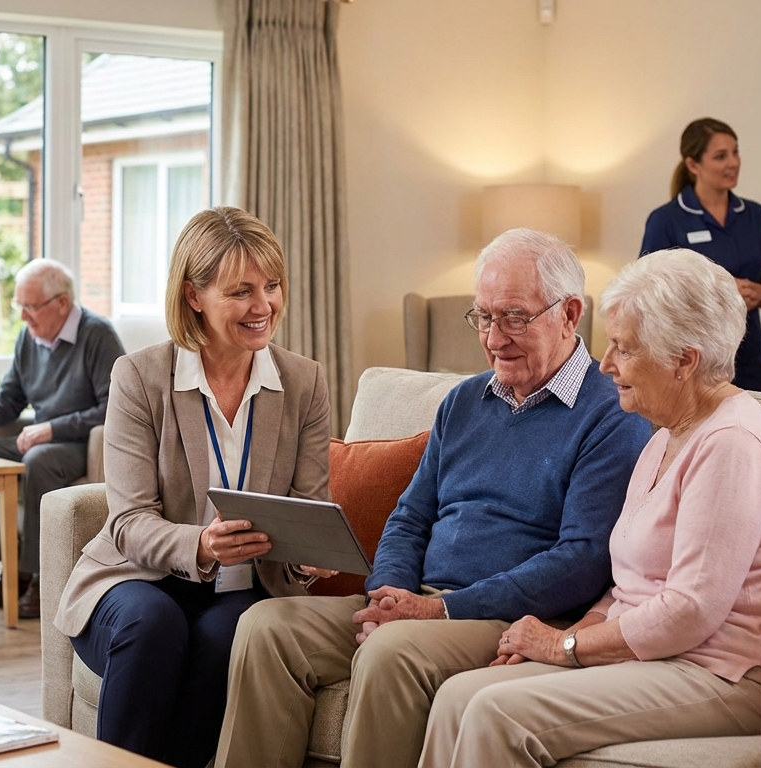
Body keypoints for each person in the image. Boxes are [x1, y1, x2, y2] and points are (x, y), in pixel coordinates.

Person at [215, 229, 652, 768]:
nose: (495, 338)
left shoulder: (611, 413)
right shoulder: (465, 400)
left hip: (510, 617)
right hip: (421, 600)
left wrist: (439, 609)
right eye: (483, 317)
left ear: (570, 314)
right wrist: (390, 591)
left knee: (390, 651)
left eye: (514, 316)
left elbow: (582, 561)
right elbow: (410, 515)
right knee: (266, 628)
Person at [419, 249, 761, 768]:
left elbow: (690, 612)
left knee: (498, 711)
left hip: (718, 673)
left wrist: (563, 649)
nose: (605, 365)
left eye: (624, 350)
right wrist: (565, 634)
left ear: (684, 361)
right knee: (456, 696)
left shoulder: (733, 444)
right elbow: (627, 584)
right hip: (656, 657)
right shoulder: (666, 436)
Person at [52, 207, 334, 767]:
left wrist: (310, 556)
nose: (264, 306)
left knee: (233, 634)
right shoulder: (139, 377)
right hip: (133, 580)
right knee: (153, 623)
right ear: (193, 295)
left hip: (241, 588)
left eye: (272, 286)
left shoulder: (305, 382)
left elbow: (305, 508)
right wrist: (202, 545)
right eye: (241, 292)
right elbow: (129, 522)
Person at [0, 258, 124, 619]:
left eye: (31, 307)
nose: (24, 317)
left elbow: (115, 407)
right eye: (19, 306)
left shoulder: (98, 335)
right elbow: (8, 400)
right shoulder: (30, 338)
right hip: (41, 439)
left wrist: (53, 428)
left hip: (82, 445)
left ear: (62, 303)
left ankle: (38, 578)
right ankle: (8, 573)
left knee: (38, 461)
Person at [641, 118, 761, 393]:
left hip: (750, 359)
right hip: (691, 361)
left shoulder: (755, 215)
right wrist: (723, 294)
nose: (733, 162)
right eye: (721, 156)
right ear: (693, 165)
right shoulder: (665, 220)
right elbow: (649, 296)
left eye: (735, 152)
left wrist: (757, 293)